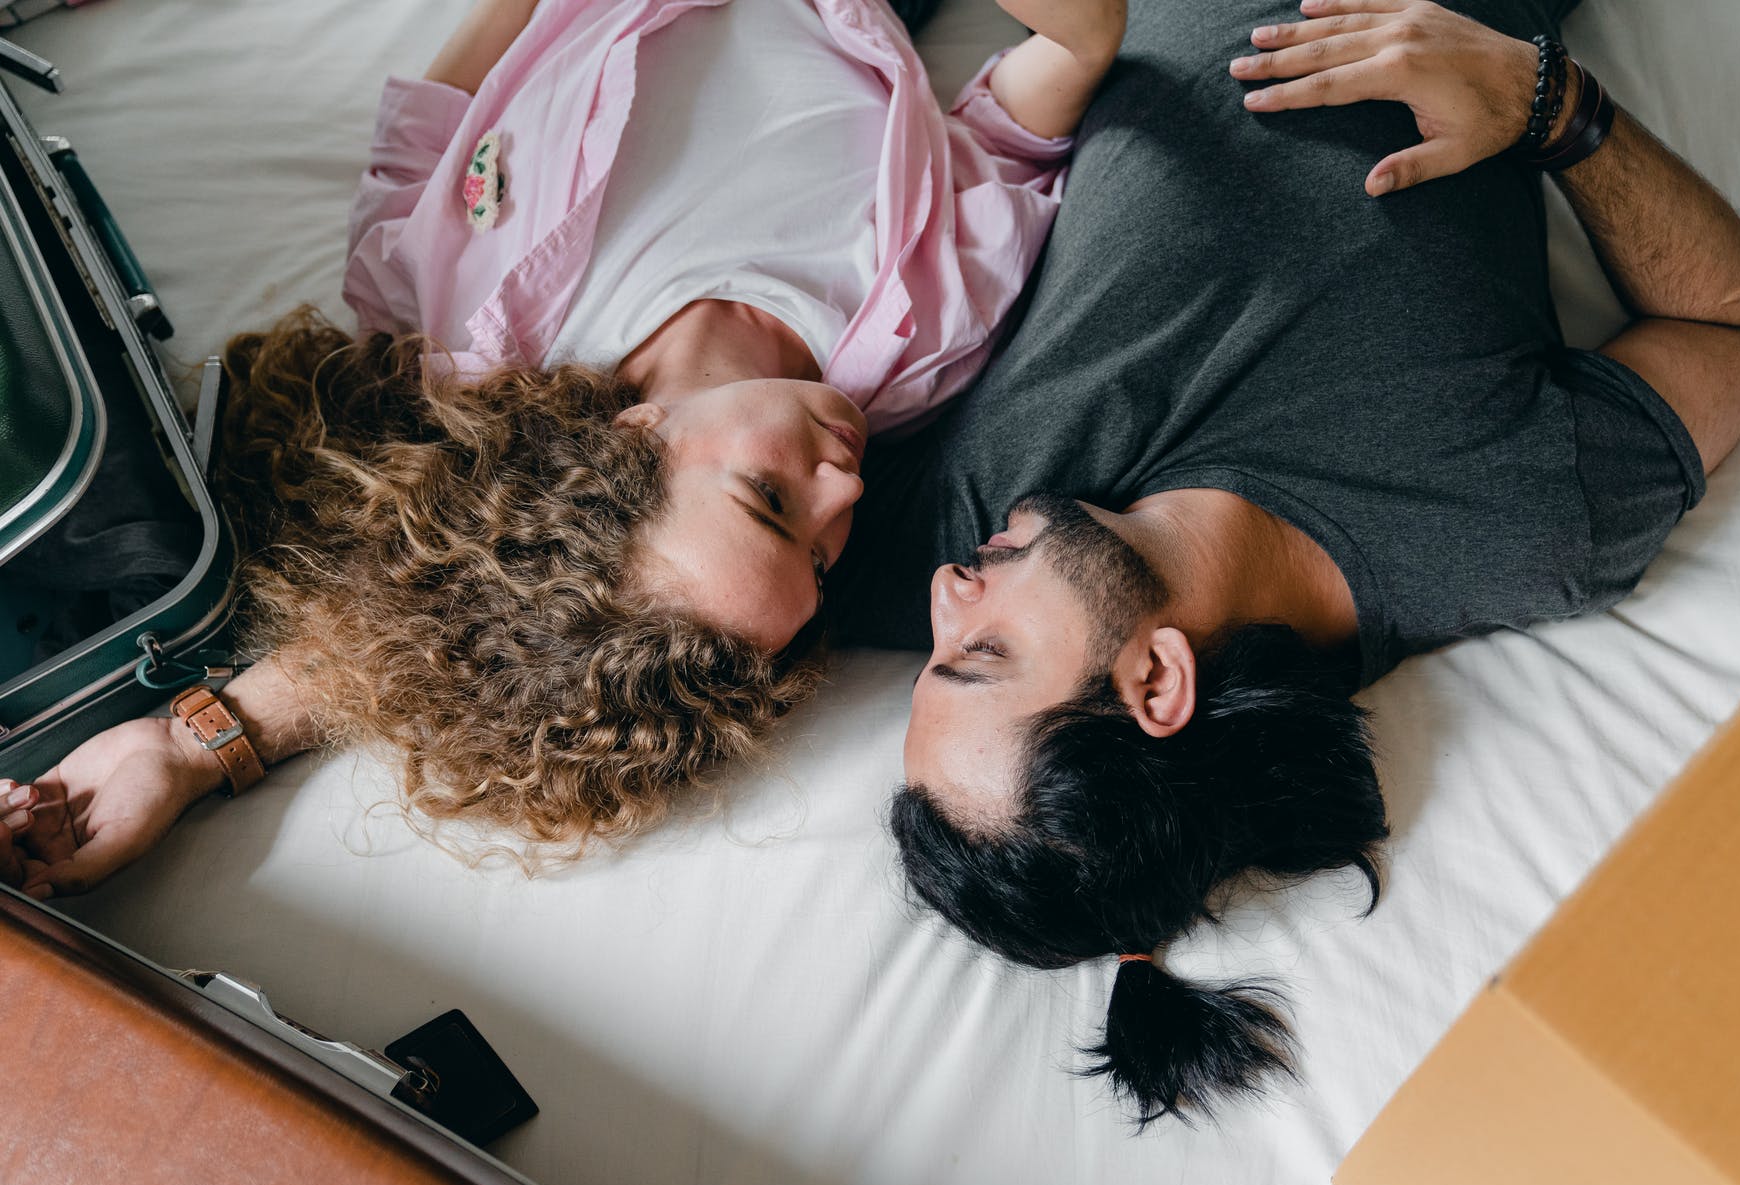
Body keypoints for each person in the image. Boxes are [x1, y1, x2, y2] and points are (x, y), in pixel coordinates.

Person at [825, 0, 1740, 1124]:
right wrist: (1547, 106)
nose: (946, 595)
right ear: (1154, 683)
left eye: (933, 648)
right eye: (980, 652)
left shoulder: (959, 525)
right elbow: (1732, 327)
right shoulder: (1510, 518)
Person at [0, 0, 1124, 883]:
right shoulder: (917, 340)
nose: (843, 484)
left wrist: (188, 745)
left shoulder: (465, 325)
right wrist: (1083, 37)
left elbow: (429, 127)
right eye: (822, 551)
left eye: (770, 502)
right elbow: (1006, 128)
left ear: (618, 451)